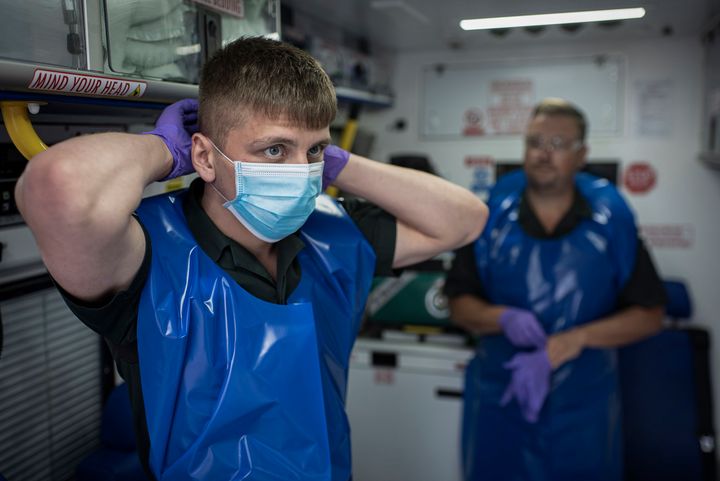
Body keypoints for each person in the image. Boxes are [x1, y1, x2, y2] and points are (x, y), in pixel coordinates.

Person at [16, 37, 488, 481]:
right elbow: (57, 187)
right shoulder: (146, 251)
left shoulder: (332, 232)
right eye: (275, 149)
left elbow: (464, 219)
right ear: (204, 156)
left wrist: (338, 163)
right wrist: (164, 151)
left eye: (314, 150)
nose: (301, 172)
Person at [444, 98, 666, 481]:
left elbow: (649, 315)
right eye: (535, 142)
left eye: (558, 144)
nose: (544, 154)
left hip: (584, 408)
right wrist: (501, 317)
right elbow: (459, 304)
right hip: (501, 399)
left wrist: (575, 339)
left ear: (582, 155)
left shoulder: (612, 220)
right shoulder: (489, 217)